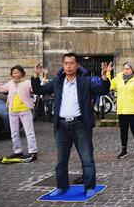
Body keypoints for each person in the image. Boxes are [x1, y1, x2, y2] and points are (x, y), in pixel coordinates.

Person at [31, 53, 110, 197]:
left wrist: (104, 77)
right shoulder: (57, 82)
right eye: (66, 63)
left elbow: (103, 90)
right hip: (61, 126)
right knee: (61, 160)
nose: (68, 66)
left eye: (71, 63)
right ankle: (61, 186)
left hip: (80, 125)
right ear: (63, 65)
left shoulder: (85, 81)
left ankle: (90, 187)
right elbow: (39, 91)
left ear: (77, 65)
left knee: (87, 159)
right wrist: (36, 76)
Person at [0, 65, 38, 159]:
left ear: (22, 73)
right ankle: (17, 151)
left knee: (29, 132)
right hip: (12, 111)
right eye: (13, 73)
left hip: (25, 110)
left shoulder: (27, 82)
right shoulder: (10, 83)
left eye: (17, 72)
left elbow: (34, 89)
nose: (15, 74)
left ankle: (33, 151)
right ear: (11, 74)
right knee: (14, 132)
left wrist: (37, 76)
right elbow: (1, 89)